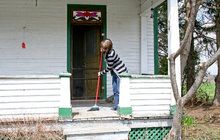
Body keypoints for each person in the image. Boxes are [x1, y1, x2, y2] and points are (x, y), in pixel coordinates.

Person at [98, 39, 128, 110]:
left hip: (120, 73)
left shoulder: (110, 55)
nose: (100, 49)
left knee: (118, 90)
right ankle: (116, 106)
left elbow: (109, 67)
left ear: (107, 49)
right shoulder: (109, 52)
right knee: (115, 90)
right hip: (115, 73)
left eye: (102, 48)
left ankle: (118, 106)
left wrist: (101, 73)